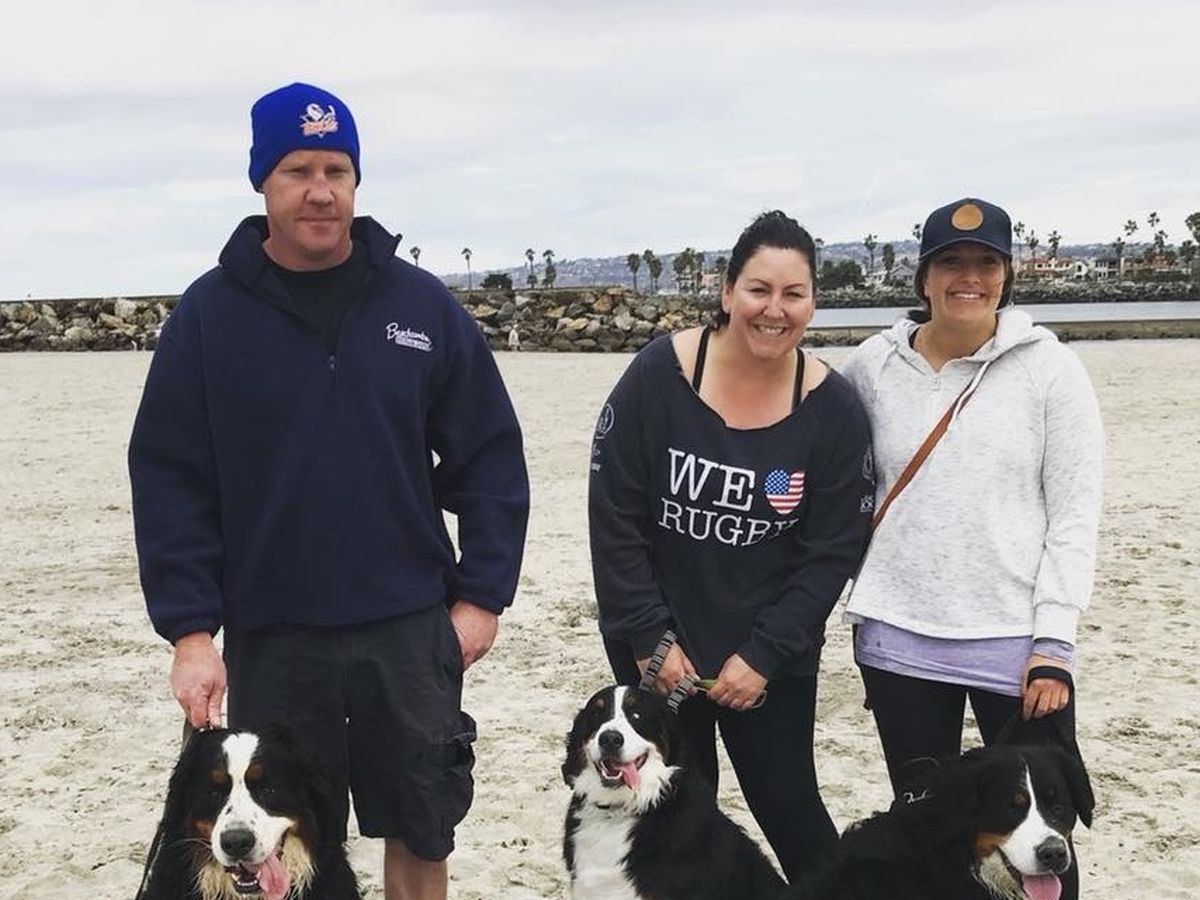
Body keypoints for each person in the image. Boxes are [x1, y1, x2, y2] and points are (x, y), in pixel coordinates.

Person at [128, 82, 530, 900]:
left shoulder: (420, 305)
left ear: (355, 180)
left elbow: (490, 455)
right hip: (275, 637)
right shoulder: (208, 316)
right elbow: (170, 480)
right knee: (281, 840)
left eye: (337, 170)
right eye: (299, 170)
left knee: (421, 825)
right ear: (262, 182)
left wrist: (481, 598)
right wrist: (191, 632)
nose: (320, 191)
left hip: (409, 631)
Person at [588, 210, 874, 881]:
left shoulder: (833, 409)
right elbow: (614, 515)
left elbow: (832, 551)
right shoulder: (658, 375)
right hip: (661, 646)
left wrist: (764, 654)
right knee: (675, 813)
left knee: (789, 805)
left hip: (769, 655)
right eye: (758, 289)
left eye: (793, 294)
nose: (774, 310)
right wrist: (650, 639)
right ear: (726, 291)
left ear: (813, 303)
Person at [840, 197, 1102, 899]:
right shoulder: (873, 366)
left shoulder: (1051, 370)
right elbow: (829, 473)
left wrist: (1055, 643)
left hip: (1017, 649)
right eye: (950, 262)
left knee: (1043, 839)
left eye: (986, 262)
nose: (969, 277)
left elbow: (1074, 516)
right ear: (923, 277)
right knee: (931, 833)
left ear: (1006, 276)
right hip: (899, 640)